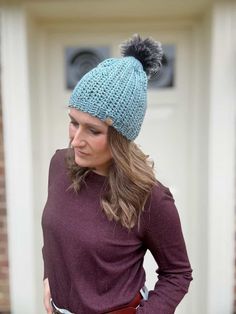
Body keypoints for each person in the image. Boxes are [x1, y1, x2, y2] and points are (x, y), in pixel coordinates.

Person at [41, 34, 193, 314]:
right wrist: (49, 278)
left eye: (93, 130)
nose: (76, 140)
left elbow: (178, 273)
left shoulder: (150, 197)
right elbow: (55, 237)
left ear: (120, 139)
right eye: (74, 122)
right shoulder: (59, 165)